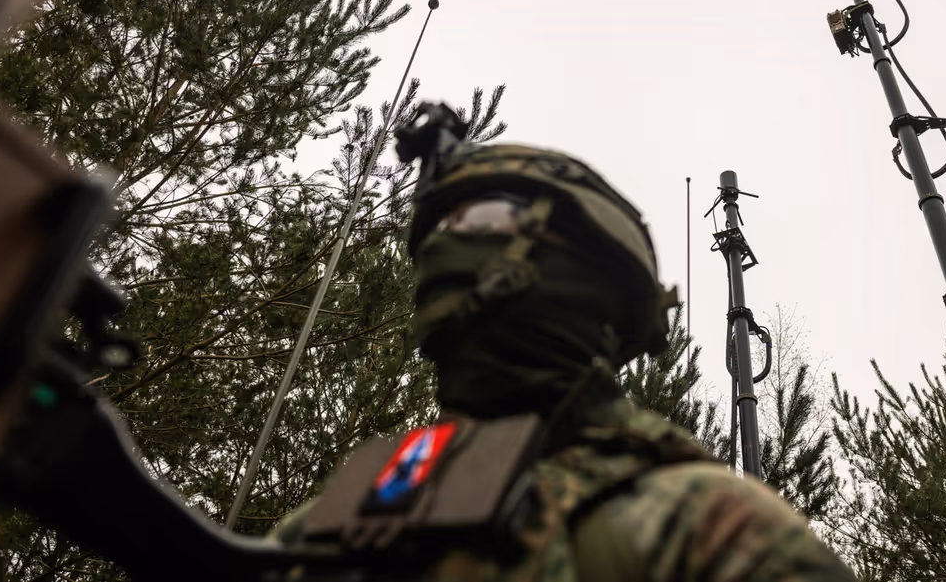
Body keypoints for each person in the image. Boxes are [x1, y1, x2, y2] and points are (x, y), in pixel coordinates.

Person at [270, 133, 859, 582]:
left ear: (586, 270)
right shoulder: (348, 516)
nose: (447, 248)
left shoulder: (700, 522)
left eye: (478, 220)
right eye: (438, 229)